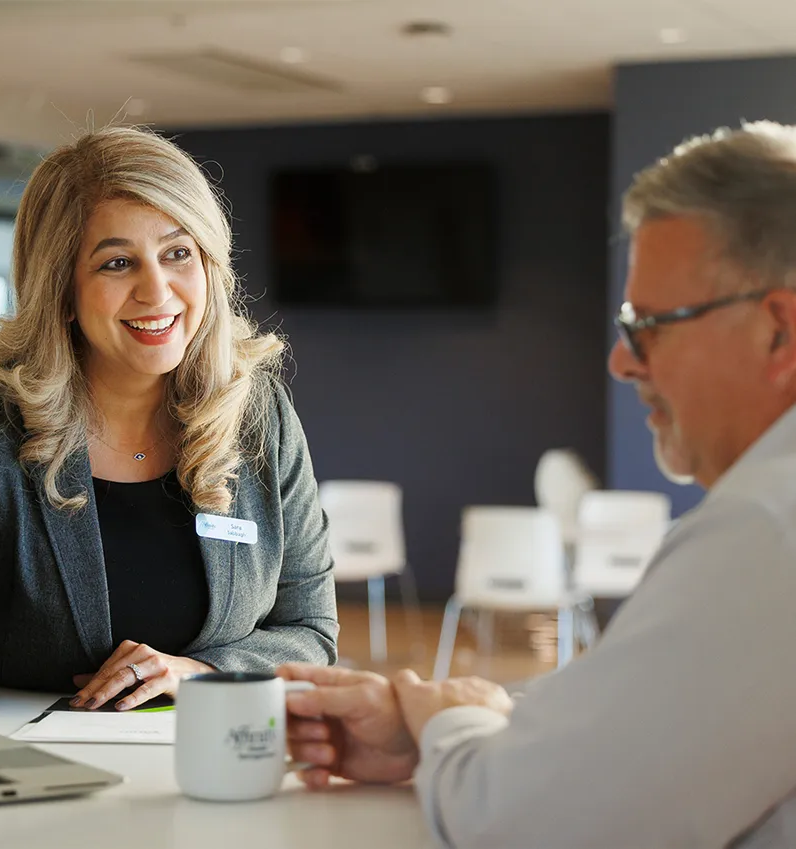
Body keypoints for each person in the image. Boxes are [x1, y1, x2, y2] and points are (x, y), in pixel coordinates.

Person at [281, 121, 796, 848]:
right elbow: (646, 719)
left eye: (650, 324)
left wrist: (449, 718)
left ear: (779, 331)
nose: (625, 361)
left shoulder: (769, 529)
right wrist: (426, 725)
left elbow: (523, 823)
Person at [0, 125, 337, 735]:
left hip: (213, 754)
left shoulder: (257, 412)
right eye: (116, 262)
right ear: (61, 287)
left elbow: (308, 631)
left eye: (178, 252)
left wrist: (199, 671)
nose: (157, 291)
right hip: (34, 763)